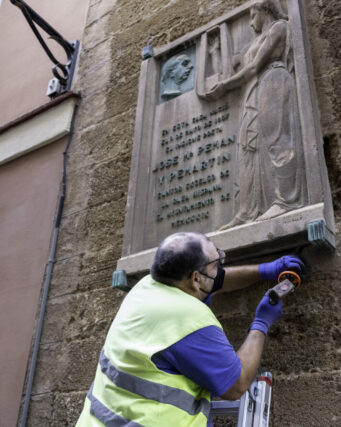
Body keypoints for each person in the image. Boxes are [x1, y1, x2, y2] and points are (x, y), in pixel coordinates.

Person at [75, 231, 304, 427]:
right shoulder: (190, 321)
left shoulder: (147, 287)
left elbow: (213, 281)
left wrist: (264, 270)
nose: (221, 268)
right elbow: (237, 385)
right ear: (196, 278)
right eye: (217, 264)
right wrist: (261, 323)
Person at [204, 0, 307, 230]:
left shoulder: (279, 27)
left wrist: (225, 86)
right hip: (255, 90)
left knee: (277, 141)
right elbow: (230, 70)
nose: (250, 23)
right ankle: (246, 211)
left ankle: (286, 201)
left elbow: (252, 68)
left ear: (265, 10)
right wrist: (214, 54)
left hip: (273, 81)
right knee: (248, 148)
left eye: (252, 16)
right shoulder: (255, 41)